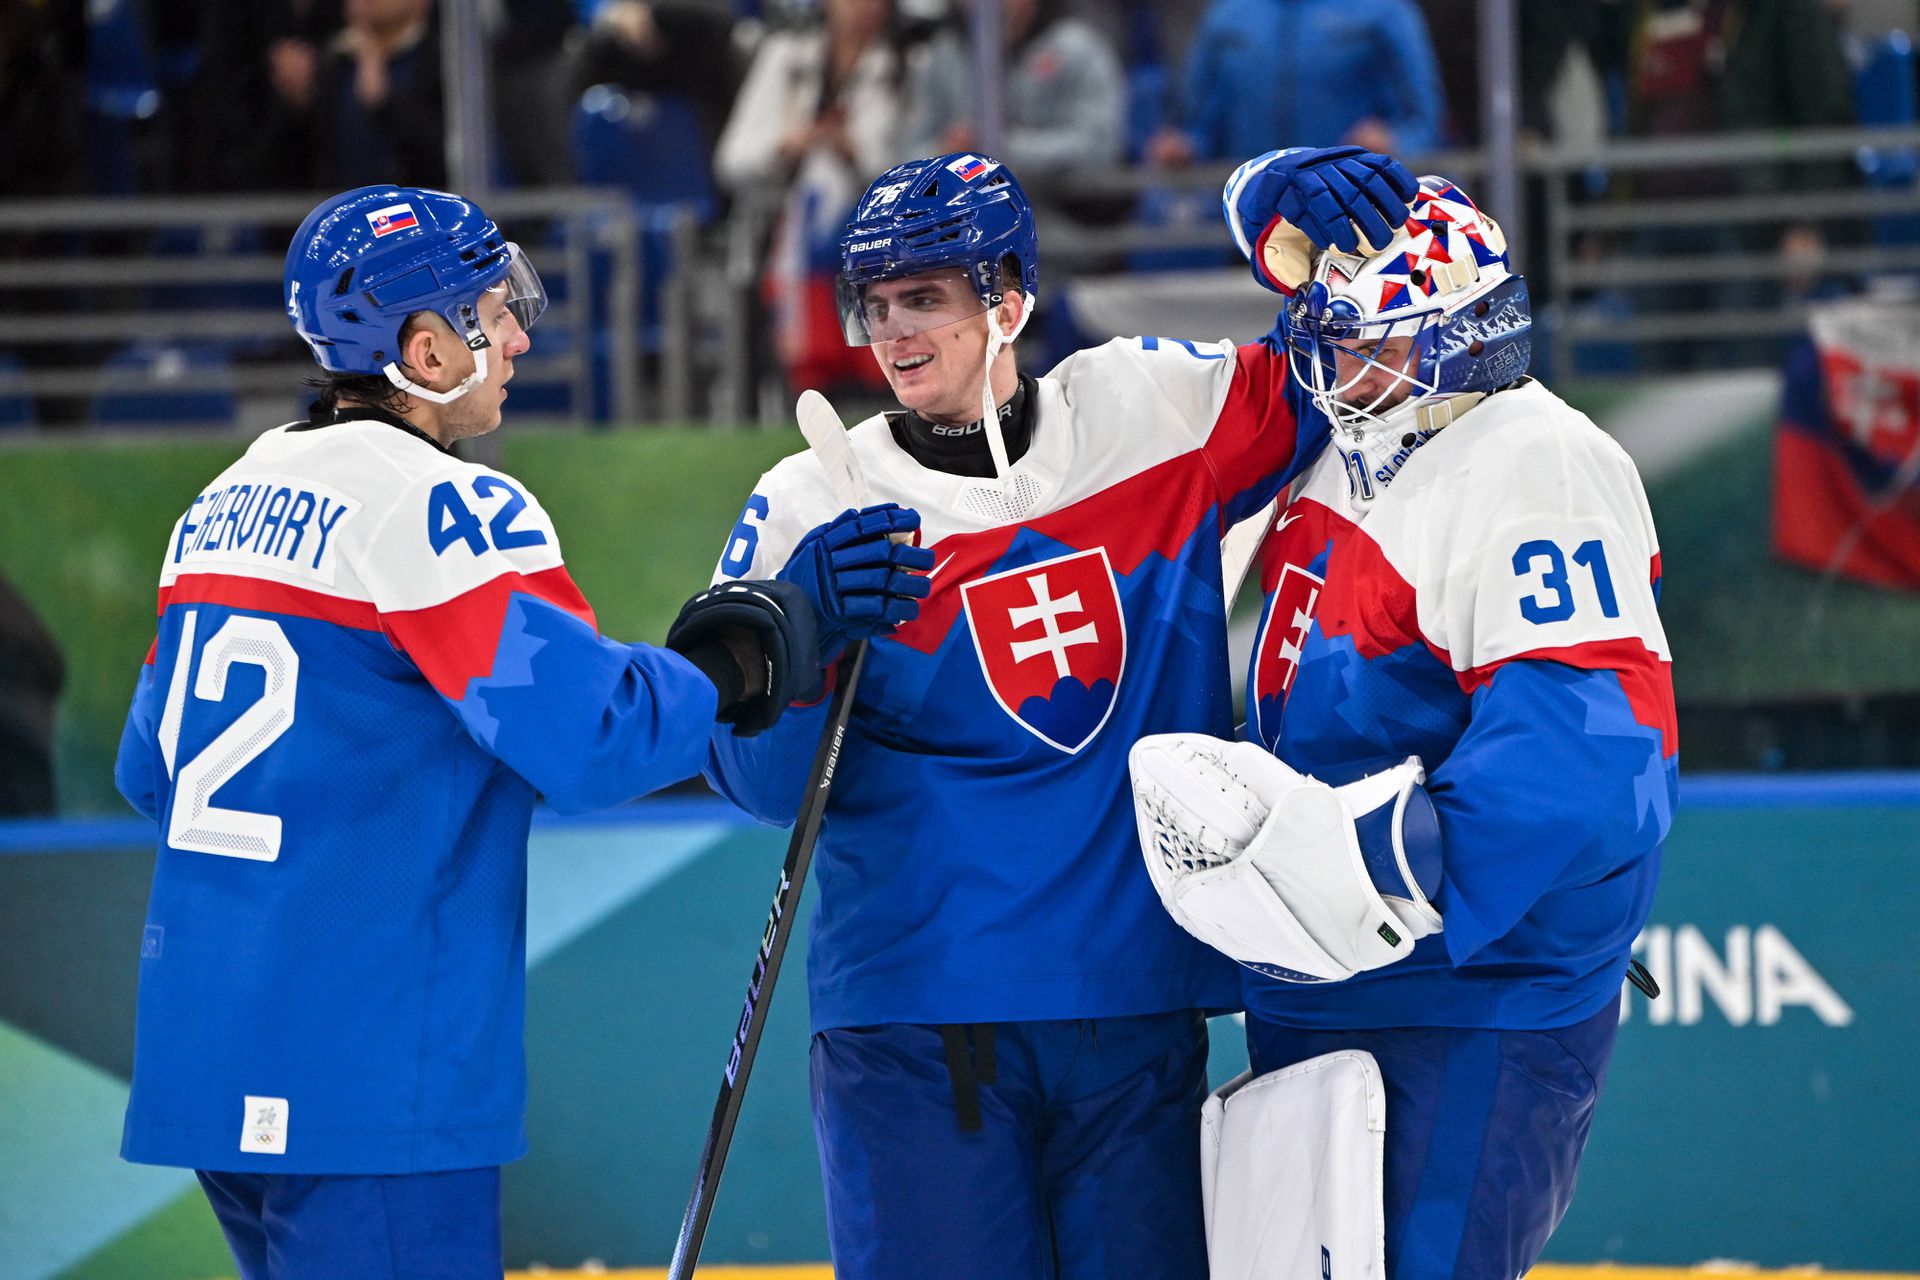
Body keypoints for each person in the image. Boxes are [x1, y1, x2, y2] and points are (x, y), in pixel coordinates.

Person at [110, 183, 854, 1280]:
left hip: (206, 1057)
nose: (516, 337)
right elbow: (595, 738)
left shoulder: (219, 503)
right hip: (368, 1070)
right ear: (423, 350)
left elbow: (148, 771)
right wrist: (738, 664)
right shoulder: (439, 503)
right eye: (492, 314)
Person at [702, 147, 1417, 1279]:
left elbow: (1337, 371)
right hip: (920, 1022)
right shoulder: (811, 503)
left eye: (925, 298)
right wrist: (802, 626)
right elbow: (755, 784)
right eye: (875, 304)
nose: (893, 333)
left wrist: (1276, 210)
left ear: (1010, 297)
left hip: (1133, 1012)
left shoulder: (1150, 408)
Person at [1129, 164, 1677, 1278]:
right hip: (1325, 979)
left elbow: (1592, 760)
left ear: (1461, 340)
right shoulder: (1356, 441)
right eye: (1326, 337)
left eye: (1363, 343)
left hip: (1470, 998)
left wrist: (1366, 865)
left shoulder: (1537, 461)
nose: (1330, 370)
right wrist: (1260, 193)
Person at [714, 0, 907, 397]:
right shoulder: (786, 57)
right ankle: (807, 381)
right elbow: (732, 159)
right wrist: (787, 147)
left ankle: (874, 387)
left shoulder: (903, 63)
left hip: (879, 229)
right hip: (785, 226)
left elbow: (912, 163)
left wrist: (850, 150)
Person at [1145, 0, 1444, 167]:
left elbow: (1423, 120)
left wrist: (1395, 142)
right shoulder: (1228, 14)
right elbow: (1198, 120)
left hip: (1355, 209)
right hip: (1251, 211)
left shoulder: (1383, 10)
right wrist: (1185, 146)